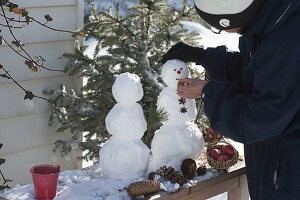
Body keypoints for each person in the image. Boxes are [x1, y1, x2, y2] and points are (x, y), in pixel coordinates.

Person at [162, 0, 300, 199]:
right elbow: (258, 72)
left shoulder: (286, 40)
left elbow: (260, 118)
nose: (220, 31)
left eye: (219, 28)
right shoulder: (273, 21)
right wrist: (201, 56)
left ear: (232, 18)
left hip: (289, 176)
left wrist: (208, 92)